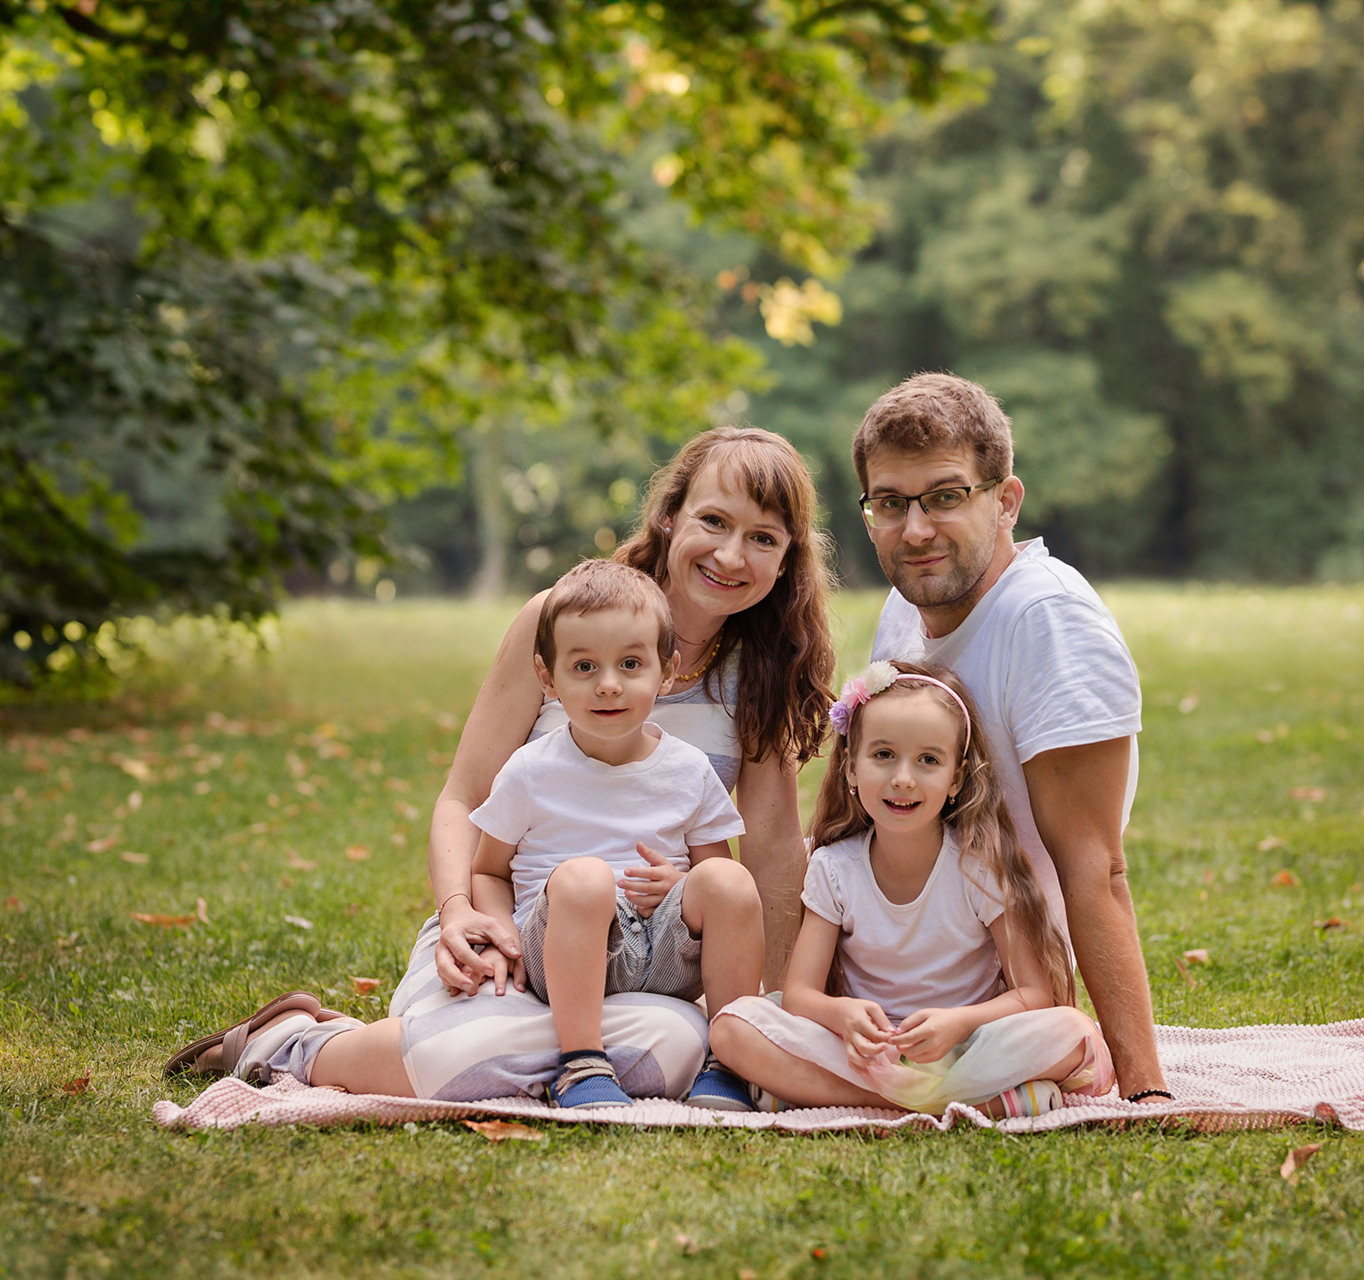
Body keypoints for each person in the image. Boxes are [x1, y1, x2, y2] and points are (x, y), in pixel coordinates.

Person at [164, 428, 835, 1102]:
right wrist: (460, 914)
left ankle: (553, 1056)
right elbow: (463, 799)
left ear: (786, 559)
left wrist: (773, 1014)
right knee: (472, 1053)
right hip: (512, 928)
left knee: (682, 1042)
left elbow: (773, 853)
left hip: (643, 958)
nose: (730, 555)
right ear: (669, 515)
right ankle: (297, 1042)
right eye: (713, 521)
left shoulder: (761, 670)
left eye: (762, 538)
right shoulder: (561, 621)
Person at [851, 373, 1172, 1104]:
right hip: (894, 958)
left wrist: (1145, 1088)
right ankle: (951, 1087)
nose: (916, 530)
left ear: (1006, 501)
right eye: (891, 503)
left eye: (945, 496)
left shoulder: (1047, 622)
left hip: (1001, 984)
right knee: (742, 1022)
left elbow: (1094, 866)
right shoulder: (904, 609)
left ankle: (990, 1071)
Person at [710, 661, 1112, 1114]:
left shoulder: (978, 867)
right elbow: (801, 995)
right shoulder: (834, 868)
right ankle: (973, 1103)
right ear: (851, 768)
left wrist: (959, 1024)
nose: (903, 778)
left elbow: (1033, 995)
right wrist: (842, 1015)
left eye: (929, 760)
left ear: (956, 778)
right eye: (884, 755)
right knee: (733, 1026)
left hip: (968, 1047)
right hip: (867, 1052)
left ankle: (848, 1094)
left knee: (1070, 1031)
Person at [461, 560, 761, 1109]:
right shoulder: (530, 770)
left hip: (664, 950)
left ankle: (731, 1061)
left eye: (630, 664)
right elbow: (487, 870)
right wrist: (502, 936)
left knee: (731, 881)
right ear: (547, 678)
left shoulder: (689, 769)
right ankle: (581, 1064)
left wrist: (680, 884)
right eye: (584, 666)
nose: (608, 684)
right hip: (566, 949)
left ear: (666, 672)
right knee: (585, 878)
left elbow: (714, 874)